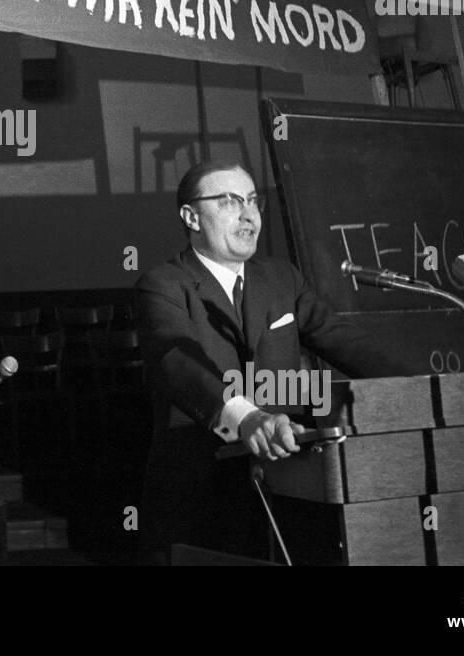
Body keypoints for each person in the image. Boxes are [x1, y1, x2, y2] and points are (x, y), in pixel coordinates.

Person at [134, 161, 390, 564]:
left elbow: (341, 339)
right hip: (203, 488)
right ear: (191, 216)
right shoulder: (163, 284)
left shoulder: (280, 278)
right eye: (230, 201)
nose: (248, 213)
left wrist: (424, 383)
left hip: (290, 485)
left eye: (253, 200)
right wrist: (246, 416)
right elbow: (175, 358)